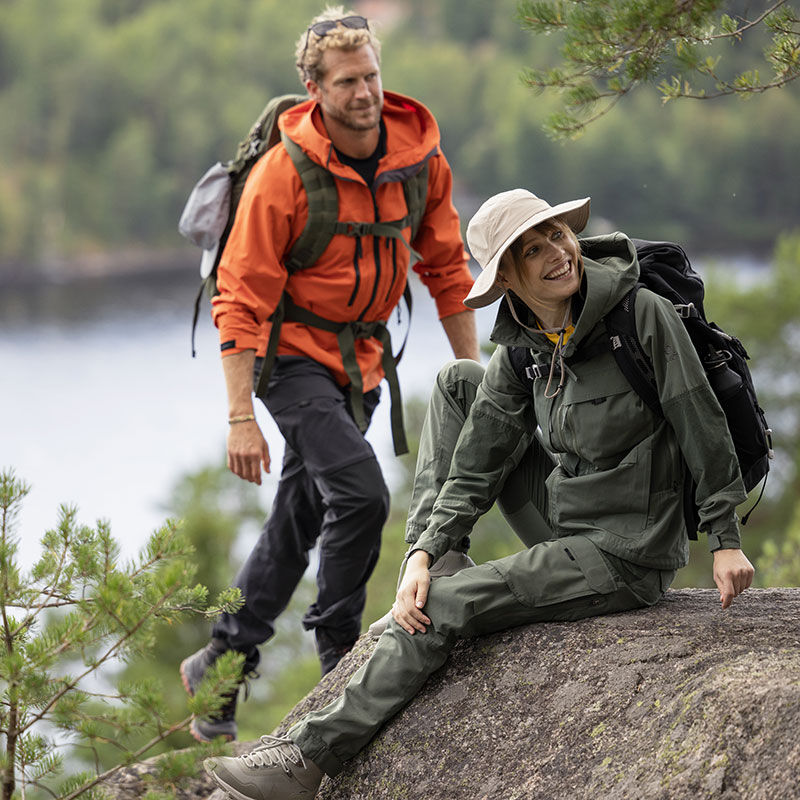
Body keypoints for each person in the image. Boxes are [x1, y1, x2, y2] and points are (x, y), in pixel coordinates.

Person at [200, 187, 755, 799]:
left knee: (440, 609)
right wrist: (424, 553)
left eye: (557, 238)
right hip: (567, 526)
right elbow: (476, 459)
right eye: (530, 250)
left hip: (627, 552)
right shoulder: (525, 344)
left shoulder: (639, 315)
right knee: (461, 382)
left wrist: (725, 540)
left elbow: (699, 420)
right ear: (508, 278)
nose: (557, 255)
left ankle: (308, 760)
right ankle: (438, 566)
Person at [179, 6, 480, 743]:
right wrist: (240, 416)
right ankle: (341, 652)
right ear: (315, 89)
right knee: (363, 494)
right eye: (346, 81)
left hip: (364, 363)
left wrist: (475, 371)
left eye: (371, 75)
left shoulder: (420, 160)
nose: (364, 92)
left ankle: (222, 660)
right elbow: (240, 296)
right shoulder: (286, 172)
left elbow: (446, 268)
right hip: (289, 363)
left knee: (302, 514)